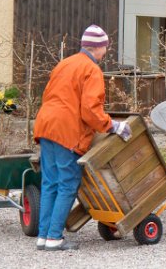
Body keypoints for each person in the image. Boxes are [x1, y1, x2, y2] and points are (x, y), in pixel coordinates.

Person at [33, 25, 132, 251]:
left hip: (46, 125)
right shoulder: (91, 69)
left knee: (50, 183)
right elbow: (90, 110)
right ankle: (54, 238)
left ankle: (43, 236)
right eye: (105, 47)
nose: (106, 51)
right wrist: (113, 126)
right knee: (68, 184)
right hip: (66, 130)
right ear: (99, 47)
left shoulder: (65, 63)